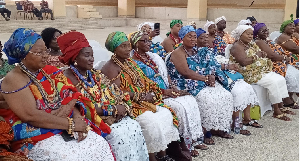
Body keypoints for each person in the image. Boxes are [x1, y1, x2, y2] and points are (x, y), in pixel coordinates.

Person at [0, 28, 115, 160]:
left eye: (45, 50)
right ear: (23, 54)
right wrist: (71, 125)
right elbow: (30, 115)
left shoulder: (48, 71)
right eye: (39, 52)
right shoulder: (14, 79)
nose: (45, 55)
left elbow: (72, 96)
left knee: (99, 144)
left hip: (60, 123)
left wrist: (77, 118)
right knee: (68, 156)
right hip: (33, 133)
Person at [57, 31, 149, 161]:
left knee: (133, 125)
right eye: (87, 55)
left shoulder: (94, 74)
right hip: (92, 120)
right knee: (117, 135)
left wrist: (121, 106)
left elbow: (115, 92)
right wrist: (113, 109)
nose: (92, 59)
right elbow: (82, 106)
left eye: (92, 55)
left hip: (111, 116)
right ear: (74, 58)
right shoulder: (65, 79)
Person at [102, 31, 180, 161]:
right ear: (114, 49)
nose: (128, 49)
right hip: (129, 104)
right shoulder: (110, 67)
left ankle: (162, 154)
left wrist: (156, 91)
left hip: (143, 100)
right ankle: (151, 157)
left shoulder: (130, 62)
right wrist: (142, 96)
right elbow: (116, 93)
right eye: (123, 46)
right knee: (151, 122)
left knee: (165, 113)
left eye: (128, 45)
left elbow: (144, 80)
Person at [130, 31, 208, 157]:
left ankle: (193, 140)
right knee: (180, 108)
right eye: (143, 41)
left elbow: (164, 74)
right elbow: (141, 86)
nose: (148, 43)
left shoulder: (152, 57)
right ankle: (182, 144)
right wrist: (163, 92)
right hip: (154, 95)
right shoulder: (133, 63)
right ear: (135, 44)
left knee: (190, 100)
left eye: (149, 40)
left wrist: (171, 86)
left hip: (166, 89)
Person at [166, 26, 234, 145]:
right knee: (207, 99)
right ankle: (205, 131)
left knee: (225, 95)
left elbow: (210, 64)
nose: (193, 39)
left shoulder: (199, 50)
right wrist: (205, 78)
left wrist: (212, 75)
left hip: (201, 81)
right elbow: (185, 72)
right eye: (189, 36)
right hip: (184, 83)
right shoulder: (178, 52)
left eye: (194, 36)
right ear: (182, 38)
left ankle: (219, 127)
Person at [196, 28, 261, 133]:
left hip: (217, 74)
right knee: (234, 92)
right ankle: (233, 123)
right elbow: (201, 68)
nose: (206, 40)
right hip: (207, 78)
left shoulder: (207, 50)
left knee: (247, 87)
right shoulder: (194, 52)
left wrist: (227, 66)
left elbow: (215, 64)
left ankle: (247, 119)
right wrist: (217, 71)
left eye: (206, 37)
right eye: (202, 38)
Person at [229, 25, 291, 121]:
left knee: (280, 79)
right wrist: (257, 56)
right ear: (240, 35)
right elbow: (244, 62)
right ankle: (276, 110)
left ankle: (281, 105)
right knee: (273, 83)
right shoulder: (237, 47)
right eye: (247, 34)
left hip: (258, 71)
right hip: (247, 73)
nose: (250, 36)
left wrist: (262, 55)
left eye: (251, 34)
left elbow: (258, 55)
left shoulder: (250, 44)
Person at [255, 23, 299, 110]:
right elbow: (271, 55)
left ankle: (287, 97)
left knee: (292, 70)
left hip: (280, 60)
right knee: (288, 74)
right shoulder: (259, 42)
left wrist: (285, 57)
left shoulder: (266, 40)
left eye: (266, 30)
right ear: (257, 33)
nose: (266, 32)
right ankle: (284, 100)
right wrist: (284, 58)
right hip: (273, 63)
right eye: (262, 31)